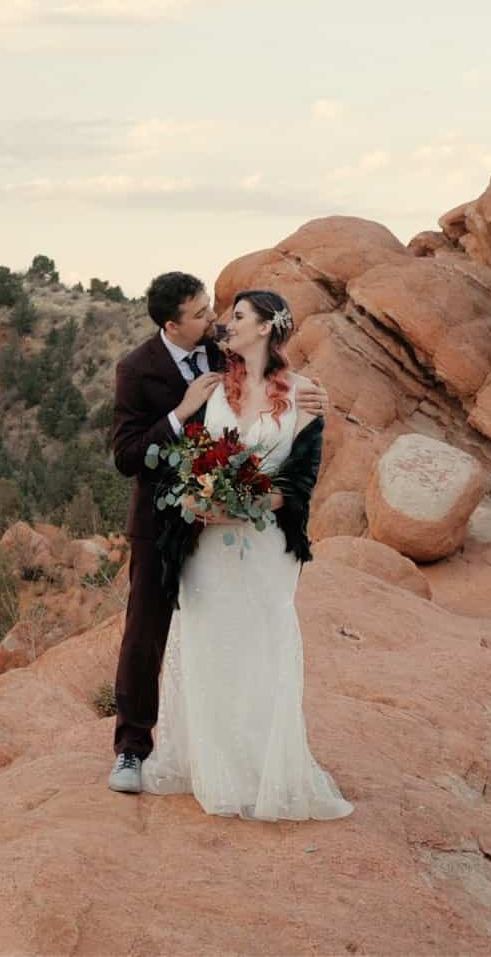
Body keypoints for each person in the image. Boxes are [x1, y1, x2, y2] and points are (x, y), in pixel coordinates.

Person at [106, 273, 329, 798]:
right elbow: (126, 457)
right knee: (147, 630)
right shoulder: (137, 370)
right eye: (202, 313)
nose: (215, 320)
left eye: (216, 311)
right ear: (172, 324)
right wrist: (181, 412)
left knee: (235, 633)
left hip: (231, 524)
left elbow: (269, 373)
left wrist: (307, 398)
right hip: (162, 520)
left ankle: (239, 749)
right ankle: (132, 748)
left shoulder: (219, 349)